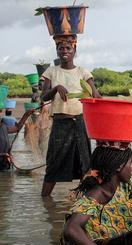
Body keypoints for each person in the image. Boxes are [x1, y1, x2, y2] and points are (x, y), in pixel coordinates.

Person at [40, 34, 101, 197]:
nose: (64, 51)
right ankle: (45, 200)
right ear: (57, 51)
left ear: (74, 51)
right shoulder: (51, 71)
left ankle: (85, 200)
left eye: (68, 48)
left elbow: (96, 96)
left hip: (80, 123)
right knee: (53, 164)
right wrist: (56, 88)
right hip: (60, 123)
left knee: (84, 164)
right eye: (61, 48)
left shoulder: (83, 72)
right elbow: (43, 97)